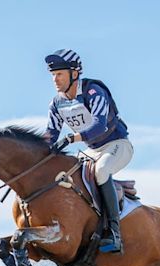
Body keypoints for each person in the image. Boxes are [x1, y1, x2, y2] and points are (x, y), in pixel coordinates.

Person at [44, 49, 133, 253]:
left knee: (101, 171)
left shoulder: (94, 91)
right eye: (53, 75)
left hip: (117, 145)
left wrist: (71, 138)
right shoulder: (57, 103)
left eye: (60, 74)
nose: (55, 80)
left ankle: (114, 233)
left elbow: (99, 126)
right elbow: (50, 134)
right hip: (91, 151)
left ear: (74, 74)